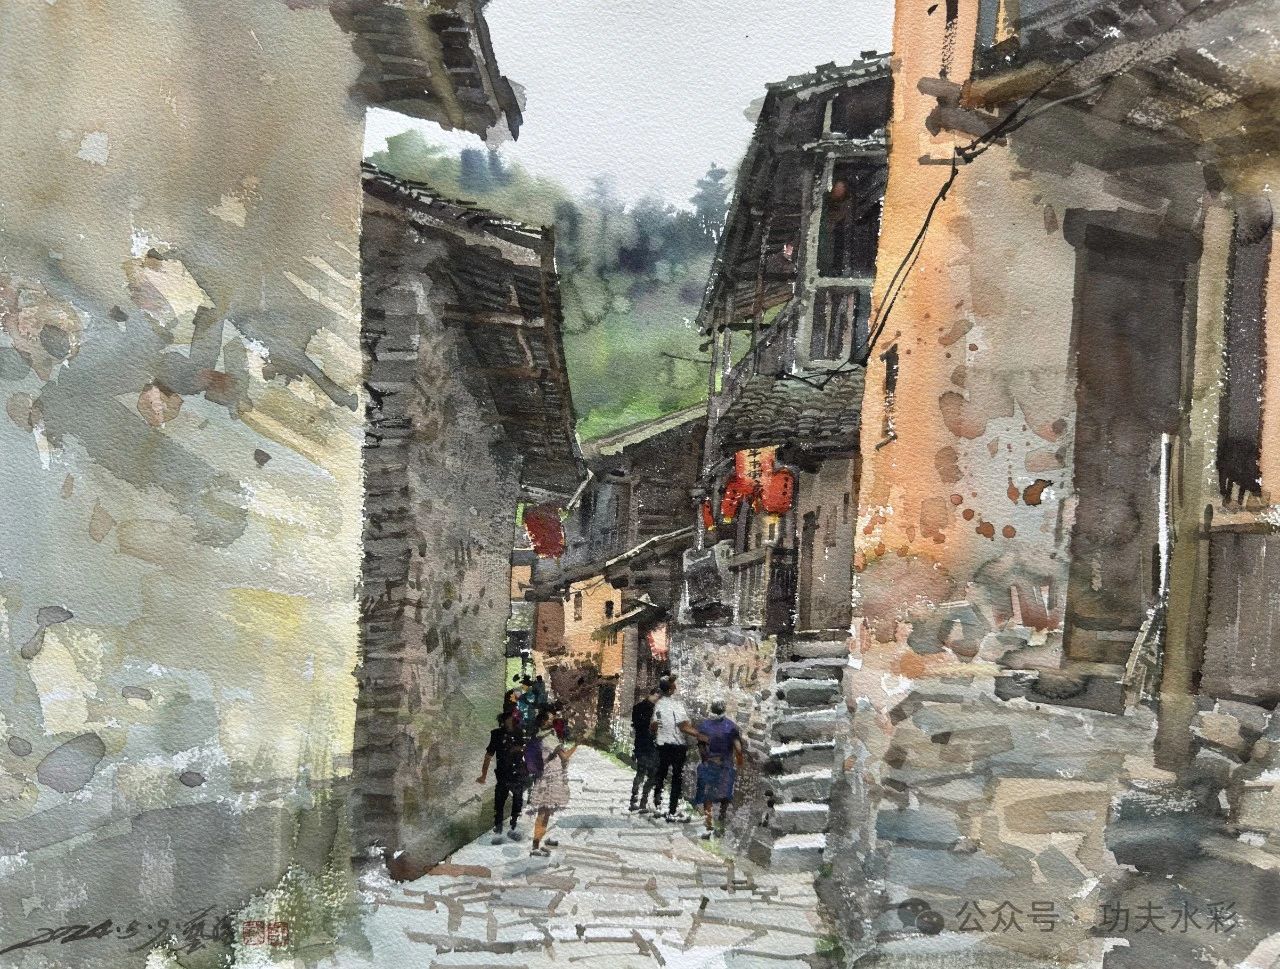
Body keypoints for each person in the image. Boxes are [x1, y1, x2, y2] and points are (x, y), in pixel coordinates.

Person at [651, 676, 706, 824]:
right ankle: (672, 811)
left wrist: (663, 732)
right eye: (673, 685)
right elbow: (684, 727)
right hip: (677, 746)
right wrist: (700, 735)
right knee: (676, 778)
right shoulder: (677, 705)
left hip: (662, 745)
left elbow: (654, 726)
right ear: (670, 689)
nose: (675, 686)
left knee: (661, 774)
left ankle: (657, 806)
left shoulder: (659, 705)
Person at [526, 708, 579, 856]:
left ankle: (539, 841)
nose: (553, 720)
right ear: (544, 721)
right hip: (550, 778)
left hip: (547, 775)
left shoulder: (541, 735)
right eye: (550, 719)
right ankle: (535, 846)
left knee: (546, 811)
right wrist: (577, 745)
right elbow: (564, 757)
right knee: (543, 812)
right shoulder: (549, 738)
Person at [694, 700, 744, 839]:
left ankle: (709, 824)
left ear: (711, 709)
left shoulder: (704, 726)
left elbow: (701, 747)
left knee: (707, 796)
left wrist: (705, 760)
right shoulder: (731, 726)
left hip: (710, 763)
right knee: (725, 795)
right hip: (725, 764)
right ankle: (721, 821)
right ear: (724, 709)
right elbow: (738, 748)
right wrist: (739, 762)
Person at [477, 710, 526, 844]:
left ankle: (513, 827)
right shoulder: (496, 734)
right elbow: (489, 755)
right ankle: (498, 831)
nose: (511, 721)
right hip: (503, 773)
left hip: (517, 772)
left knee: (517, 800)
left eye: (513, 718)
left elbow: (524, 750)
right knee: (499, 802)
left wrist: (519, 750)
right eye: (509, 718)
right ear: (503, 720)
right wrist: (483, 775)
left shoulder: (519, 733)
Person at [629, 686, 661, 813]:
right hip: (643, 744)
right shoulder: (640, 707)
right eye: (657, 697)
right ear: (651, 694)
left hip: (651, 746)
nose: (657, 700)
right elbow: (638, 726)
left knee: (652, 774)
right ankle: (635, 800)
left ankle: (642, 801)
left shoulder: (657, 710)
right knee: (642, 773)